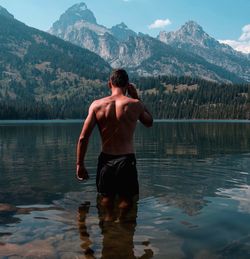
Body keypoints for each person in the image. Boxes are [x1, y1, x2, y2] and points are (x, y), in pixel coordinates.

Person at [76, 69, 153, 220]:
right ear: (127, 85)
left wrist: (80, 164)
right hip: (126, 161)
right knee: (126, 199)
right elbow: (149, 122)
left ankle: (109, 220)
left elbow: (83, 138)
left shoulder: (97, 105)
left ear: (109, 84)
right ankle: (123, 224)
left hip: (106, 161)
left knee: (105, 198)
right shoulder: (135, 104)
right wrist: (136, 96)